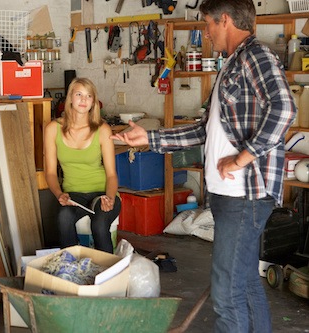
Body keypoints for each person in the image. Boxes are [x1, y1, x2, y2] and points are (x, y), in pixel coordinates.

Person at [112, 0, 297, 332]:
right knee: (245, 283)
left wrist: (243, 156)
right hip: (231, 195)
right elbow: (204, 130)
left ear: (224, 20)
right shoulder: (232, 64)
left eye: (207, 23)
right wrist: (149, 139)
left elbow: (284, 108)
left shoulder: (255, 56)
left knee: (226, 294)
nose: (205, 32)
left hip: (245, 194)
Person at [44, 77, 121, 253]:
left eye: (88, 96)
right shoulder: (52, 129)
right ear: (70, 98)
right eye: (79, 94)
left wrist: (109, 197)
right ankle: (73, 267)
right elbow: (50, 173)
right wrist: (59, 194)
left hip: (102, 191)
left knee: (100, 224)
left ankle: (107, 273)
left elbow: (111, 174)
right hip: (73, 194)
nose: (83, 100)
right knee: (64, 218)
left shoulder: (102, 129)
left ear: (93, 102)